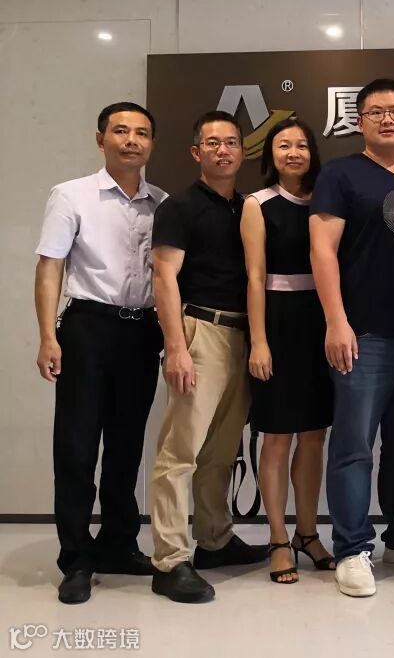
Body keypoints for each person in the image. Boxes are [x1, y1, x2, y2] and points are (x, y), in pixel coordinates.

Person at [34, 102, 166, 604]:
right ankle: (76, 558)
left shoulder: (161, 203)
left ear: (152, 143)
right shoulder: (71, 195)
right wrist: (48, 336)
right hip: (88, 327)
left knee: (127, 444)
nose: (132, 140)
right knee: (77, 445)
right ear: (100, 139)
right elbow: (50, 267)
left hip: (142, 331)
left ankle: (118, 543)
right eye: (121, 131)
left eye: (142, 133)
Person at [310, 79, 394, 599]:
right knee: (354, 446)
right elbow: (322, 251)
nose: (387, 119)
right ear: (359, 121)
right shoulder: (340, 175)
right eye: (376, 112)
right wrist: (336, 321)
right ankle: (352, 547)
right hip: (361, 334)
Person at [148, 110, 267, 603]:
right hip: (200, 331)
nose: (223, 150)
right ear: (197, 152)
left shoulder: (247, 207)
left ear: (243, 150)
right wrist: (176, 346)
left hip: (242, 335)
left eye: (232, 142)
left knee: (221, 449)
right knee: (180, 452)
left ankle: (214, 540)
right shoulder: (179, 207)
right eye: (213, 143)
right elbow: (163, 277)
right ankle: (169, 560)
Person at [241, 117, 334, 585]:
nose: (293, 153)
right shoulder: (257, 204)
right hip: (277, 321)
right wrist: (259, 341)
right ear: (270, 154)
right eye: (283, 145)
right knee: (277, 436)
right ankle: (278, 538)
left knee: (314, 435)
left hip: (320, 322)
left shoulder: (326, 202)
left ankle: (307, 533)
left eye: (301, 145)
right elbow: (255, 276)